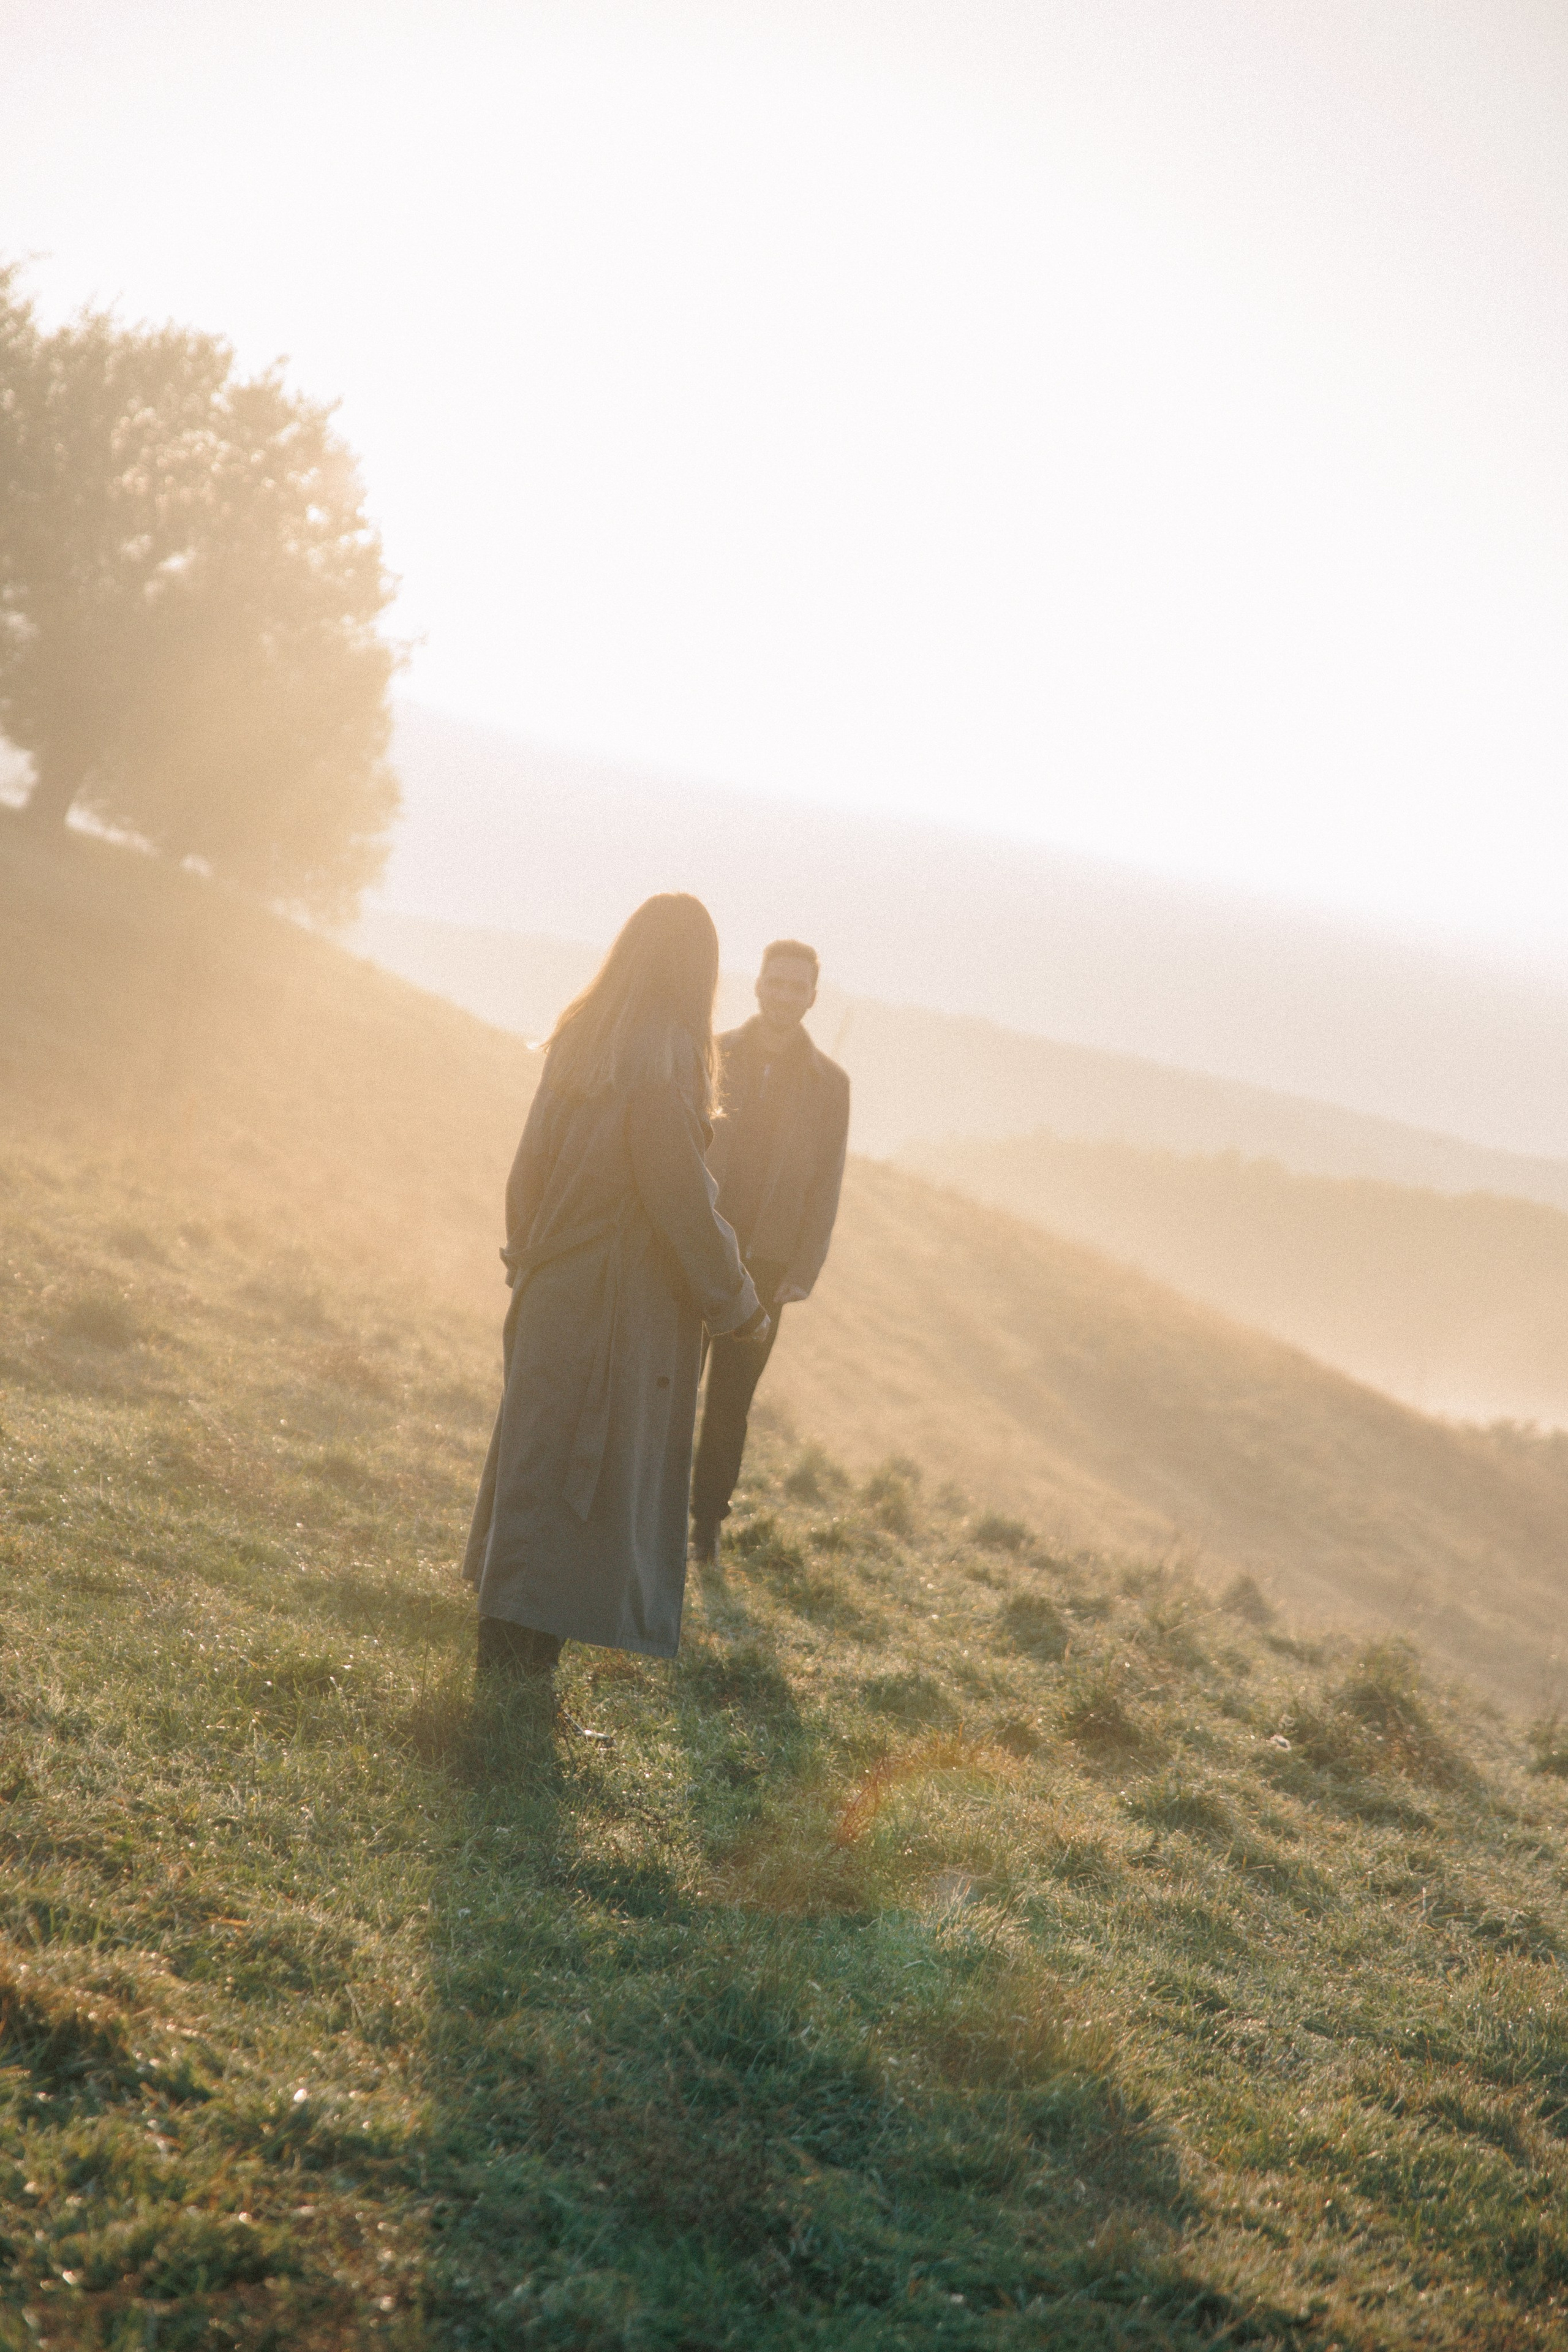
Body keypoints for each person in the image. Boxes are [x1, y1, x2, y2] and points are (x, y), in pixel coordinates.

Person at [463, 893, 768, 1697]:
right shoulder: (663, 1057)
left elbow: (527, 1172)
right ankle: (520, 1698)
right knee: (582, 1491)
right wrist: (736, 1299)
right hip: (615, 1309)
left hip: (553, 1290)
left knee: (537, 1476)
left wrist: (529, 1266)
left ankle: (506, 1690)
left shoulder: (583, 1033)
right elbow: (681, 1198)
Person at [690, 939, 850, 1562]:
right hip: (698, 1246)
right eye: (775, 983)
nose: (784, 996)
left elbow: (826, 1182)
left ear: (812, 997)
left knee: (732, 1401)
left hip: (767, 1265)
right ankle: (651, 1503)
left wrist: (804, 1268)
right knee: (672, 1383)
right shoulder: (715, 1051)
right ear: (757, 984)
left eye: (797, 987)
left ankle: (705, 1527)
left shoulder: (830, 1086)